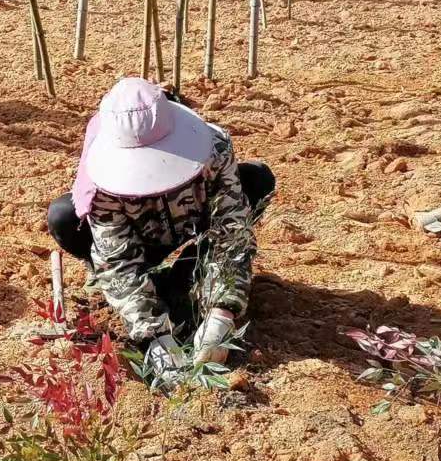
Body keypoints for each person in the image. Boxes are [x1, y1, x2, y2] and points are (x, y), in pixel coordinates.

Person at [46, 77, 275, 385]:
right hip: (139, 239)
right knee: (63, 215)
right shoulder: (101, 186)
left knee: (256, 180)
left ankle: (186, 279)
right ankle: (156, 289)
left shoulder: (214, 150)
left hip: (191, 226)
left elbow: (230, 232)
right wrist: (155, 338)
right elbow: (117, 261)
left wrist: (224, 310)